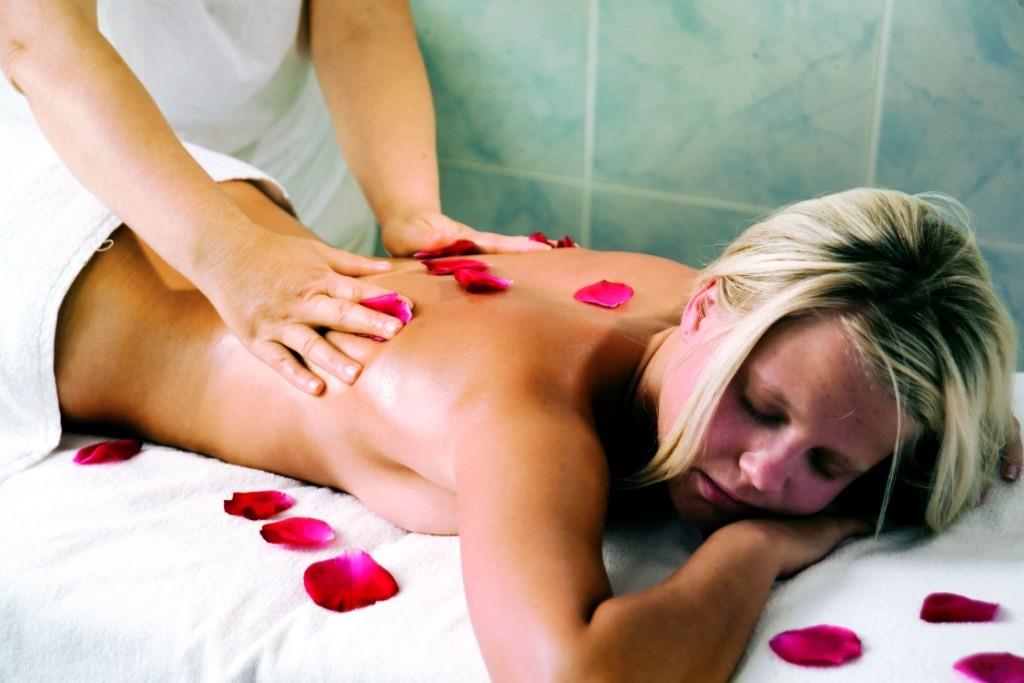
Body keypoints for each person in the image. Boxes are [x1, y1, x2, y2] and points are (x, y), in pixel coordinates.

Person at [47, 169, 1021, 679]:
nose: (765, 472)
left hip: (200, 206)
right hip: (43, 281)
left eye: (828, 461)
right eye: (759, 407)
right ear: (706, 306)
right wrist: (761, 548)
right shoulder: (523, 401)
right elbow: (577, 677)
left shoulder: (731, 315)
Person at [0, 0, 547, 398]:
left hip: (298, 169)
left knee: (385, 363)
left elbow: (363, 17)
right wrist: (231, 257)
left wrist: (409, 208)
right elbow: (38, 41)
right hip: (94, 168)